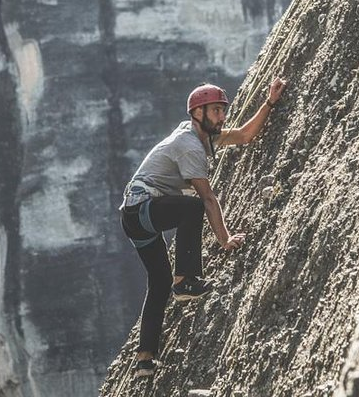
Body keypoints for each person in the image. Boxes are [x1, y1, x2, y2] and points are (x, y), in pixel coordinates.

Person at [119, 78, 287, 377]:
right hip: (142, 209)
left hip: (136, 216)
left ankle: (144, 360)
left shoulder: (201, 137)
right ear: (198, 113)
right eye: (215, 111)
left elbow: (245, 136)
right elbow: (207, 197)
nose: (222, 116)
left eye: (223, 110)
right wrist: (225, 239)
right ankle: (186, 280)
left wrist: (270, 102)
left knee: (158, 283)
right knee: (193, 207)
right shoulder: (189, 146)